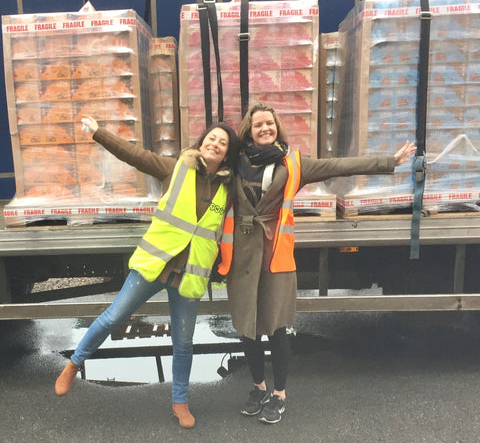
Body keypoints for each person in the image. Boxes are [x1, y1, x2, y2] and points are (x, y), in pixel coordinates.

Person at [217, 102, 416, 424]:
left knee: (276, 330)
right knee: (247, 332)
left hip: (275, 259)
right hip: (241, 260)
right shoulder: (235, 163)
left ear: (276, 127)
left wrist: (387, 162)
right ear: (249, 130)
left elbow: (336, 166)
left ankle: (279, 394)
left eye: (269, 123)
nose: (264, 128)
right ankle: (259, 388)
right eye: (258, 125)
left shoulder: (293, 164)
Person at [54, 115, 239, 429]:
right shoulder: (175, 168)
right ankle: (74, 363)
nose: (215, 144)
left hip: (188, 275)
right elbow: (134, 155)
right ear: (202, 142)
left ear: (226, 154)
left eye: (222, 143)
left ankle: (180, 401)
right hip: (154, 265)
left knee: (183, 343)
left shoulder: (228, 186)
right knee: (114, 316)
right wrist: (99, 133)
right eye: (212, 138)